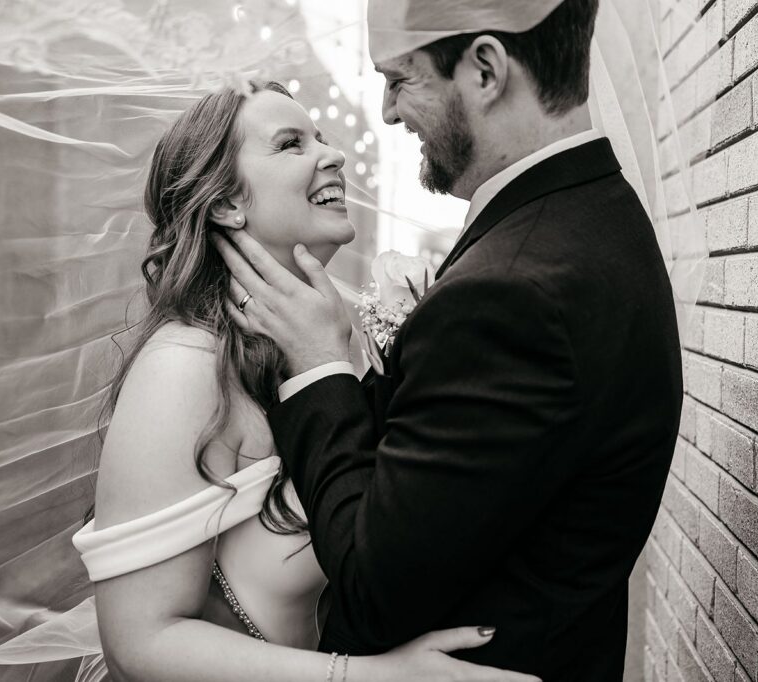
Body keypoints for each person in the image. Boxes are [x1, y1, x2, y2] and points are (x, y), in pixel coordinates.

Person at [211, 1, 684, 679]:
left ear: (485, 70)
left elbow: (372, 587)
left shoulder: (512, 292)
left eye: (400, 80)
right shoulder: (596, 218)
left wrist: (320, 367)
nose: (386, 113)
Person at [71, 80, 539, 682]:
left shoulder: (322, 348)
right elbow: (139, 643)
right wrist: (378, 676)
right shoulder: (183, 367)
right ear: (225, 204)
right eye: (291, 143)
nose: (334, 154)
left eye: (321, 137)